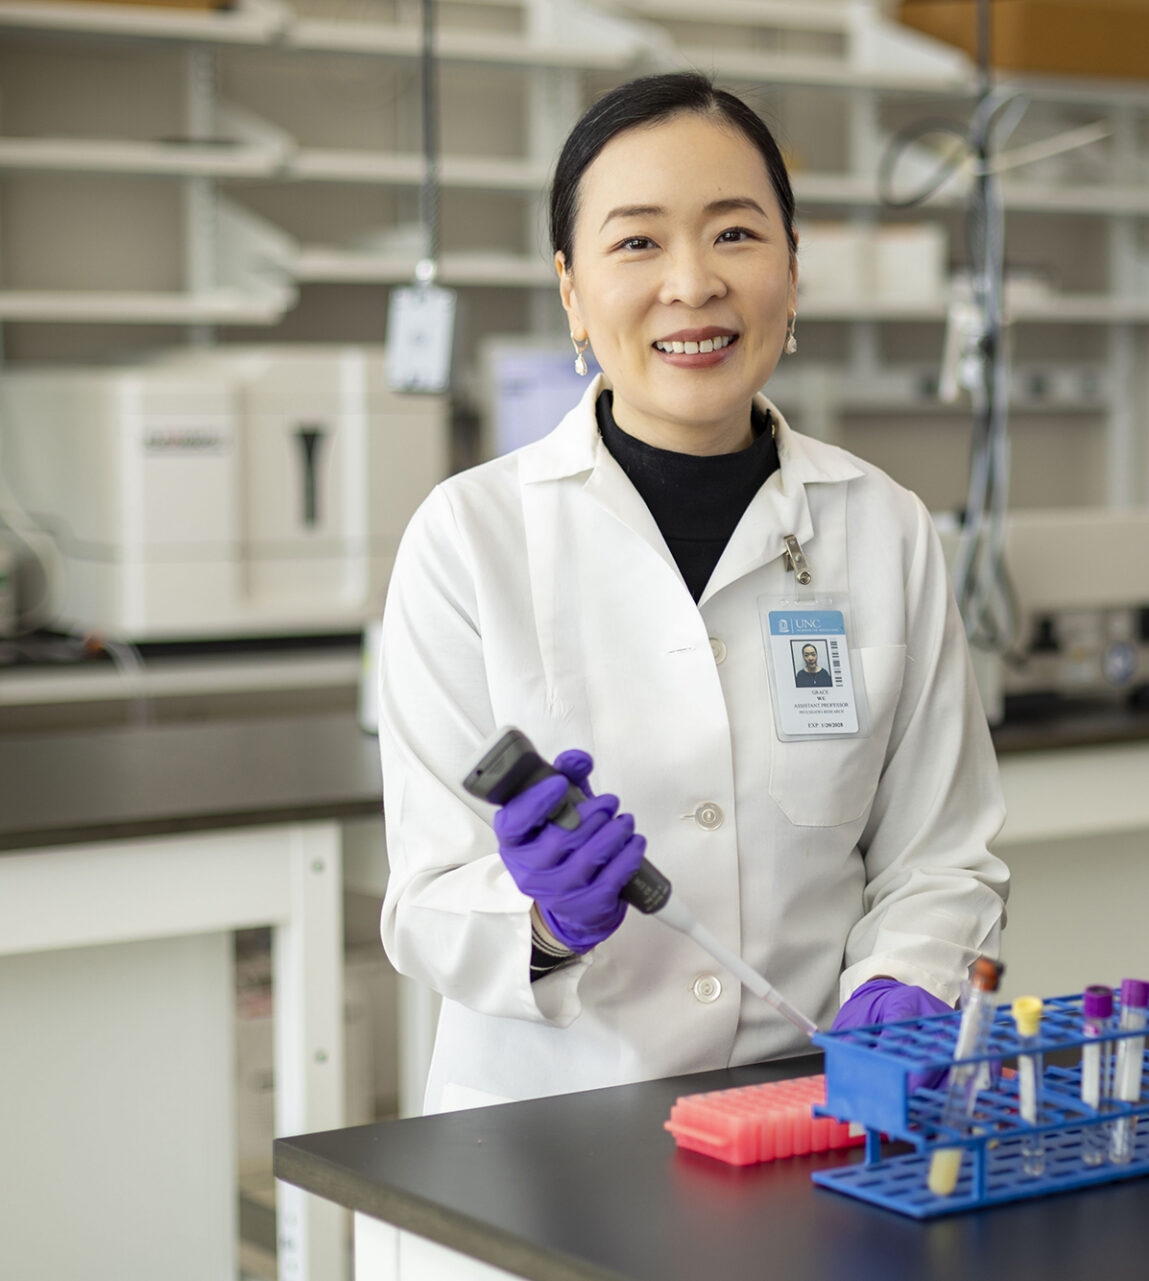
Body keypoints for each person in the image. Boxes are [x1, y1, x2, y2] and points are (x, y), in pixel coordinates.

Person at [377, 72, 1009, 1113]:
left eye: (735, 235)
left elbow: (941, 855)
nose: (693, 284)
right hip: (550, 1142)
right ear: (572, 290)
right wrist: (542, 921)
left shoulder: (884, 525)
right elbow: (425, 904)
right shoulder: (469, 537)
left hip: (810, 1118)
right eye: (637, 242)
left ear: (793, 273)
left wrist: (911, 977)